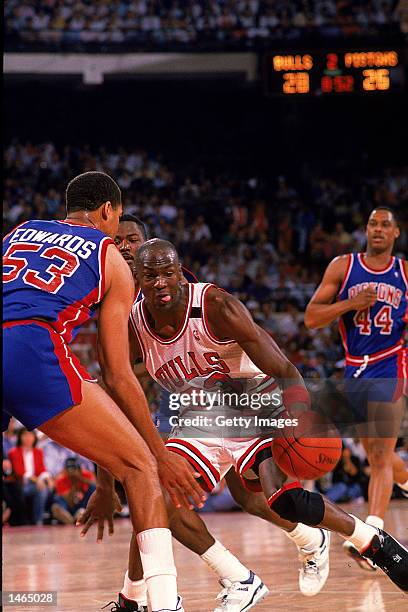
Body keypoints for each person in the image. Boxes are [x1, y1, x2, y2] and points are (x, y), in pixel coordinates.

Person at [128, 238, 408, 604]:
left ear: (180, 273)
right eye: (151, 276)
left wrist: (299, 416)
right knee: (160, 499)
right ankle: (238, 579)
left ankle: (370, 540)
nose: (161, 282)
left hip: (255, 404)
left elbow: (283, 367)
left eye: (168, 273)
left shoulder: (216, 306)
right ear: (138, 278)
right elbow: (123, 375)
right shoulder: (132, 323)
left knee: (284, 500)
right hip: (200, 417)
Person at [104, 217, 333, 612]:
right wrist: (105, 479)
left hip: (238, 401)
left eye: (132, 240)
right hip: (192, 406)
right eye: (119, 241)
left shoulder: (184, 294)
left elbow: (264, 359)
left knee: (254, 497)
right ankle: (151, 594)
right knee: (158, 494)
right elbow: (117, 380)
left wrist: (294, 412)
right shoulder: (122, 301)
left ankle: (314, 542)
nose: (124, 247)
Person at [3, 171, 206, 612]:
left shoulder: (20, 232)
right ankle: (166, 605)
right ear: (108, 212)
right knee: (142, 470)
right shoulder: (108, 254)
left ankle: (131, 600)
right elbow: (116, 375)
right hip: (31, 348)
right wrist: (160, 452)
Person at [305, 207, 408, 570]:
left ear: (396, 233)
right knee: (375, 454)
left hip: (390, 363)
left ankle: (373, 537)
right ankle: (406, 481)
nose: (378, 230)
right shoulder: (343, 267)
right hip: (354, 369)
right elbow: (312, 317)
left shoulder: (405, 272)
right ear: (367, 230)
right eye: (373, 224)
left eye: (385, 225)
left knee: (379, 455)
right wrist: (350, 303)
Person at [8, 428, 53, 525]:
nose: (28, 438)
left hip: (35, 484)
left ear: (34, 437)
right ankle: (39, 520)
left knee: (45, 488)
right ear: (20, 437)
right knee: (41, 489)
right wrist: (37, 480)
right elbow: (20, 472)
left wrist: (47, 478)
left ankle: (40, 520)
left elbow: (42, 469)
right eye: (25, 435)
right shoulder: (14, 452)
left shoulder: (38, 452)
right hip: (20, 486)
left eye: (30, 435)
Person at [51, 457, 96, 525]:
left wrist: (80, 478)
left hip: (84, 504)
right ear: (65, 470)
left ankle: (81, 513)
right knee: (57, 499)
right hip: (70, 507)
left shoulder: (86, 475)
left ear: (79, 468)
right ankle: (71, 518)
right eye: (69, 468)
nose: (71, 471)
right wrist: (73, 484)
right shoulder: (60, 480)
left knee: (94, 488)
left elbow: (97, 486)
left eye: (74, 468)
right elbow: (69, 501)